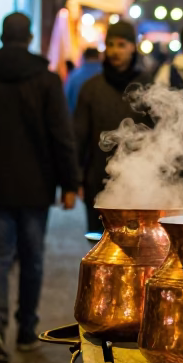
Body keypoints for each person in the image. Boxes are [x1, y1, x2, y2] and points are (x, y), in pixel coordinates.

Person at [0, 12, 79, 363]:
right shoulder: (45, 79)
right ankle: (27, 330)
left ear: (1, 35)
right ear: (28, 38)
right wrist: (69, 183)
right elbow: (61, 136)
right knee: (32, 258)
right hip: (35, 184)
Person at [74, 20, 150, 232]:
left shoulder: (148, 87)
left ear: (133, 47)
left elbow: (161, 136)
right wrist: (76, 179)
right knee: (99, 247)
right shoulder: (91, 88)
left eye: (121, 44)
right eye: (111, 45)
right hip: (99, 184)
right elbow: (79, 136)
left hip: (140, 185)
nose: (115, 51)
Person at [64, 46, 101, 114]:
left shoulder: (74, 76)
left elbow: (66, 99)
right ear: (99, 57)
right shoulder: (105, 74)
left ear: (84, 57)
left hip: (78, 117)